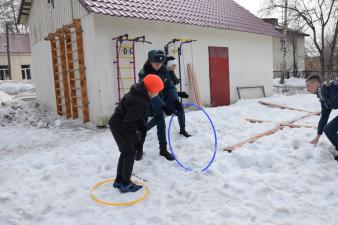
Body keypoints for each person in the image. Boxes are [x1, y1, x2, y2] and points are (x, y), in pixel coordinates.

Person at [108, 74, 164, 193]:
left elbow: (135, 118)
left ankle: (119, 180)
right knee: (130, 153)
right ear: (151, 90)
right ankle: (125, 184)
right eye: (157, 91)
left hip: (118, 124)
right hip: (120, 126)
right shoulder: (140, 101)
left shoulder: (138, 93)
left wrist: (142, 127)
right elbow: (128, 124)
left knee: (125, 152)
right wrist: (136, 141)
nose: (158, 93)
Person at [138, 50, 177, 161]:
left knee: (161, 125)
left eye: (161, 63)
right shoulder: (144, 73)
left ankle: (163, 150)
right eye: (156, 63)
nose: (159, 65)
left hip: (159, 100)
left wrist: (175, 100)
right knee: (143, 127)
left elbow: (169, 86)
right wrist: (163, 106)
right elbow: (149, 93)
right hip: (145, 102)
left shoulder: (164, 70)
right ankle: (138, 149)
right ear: (150, 61)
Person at [306, 75, 338, 161]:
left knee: (330, 129)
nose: (307, 89)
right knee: (328, 129)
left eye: (308, 85)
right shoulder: (323, 97)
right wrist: (317, 137)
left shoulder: (332, 87)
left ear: (316, 83)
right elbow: (324, 117)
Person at [165, 56, 191, 137]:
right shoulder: (165, 75)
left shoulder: (171, 74)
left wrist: (179, 94)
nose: (175, 67)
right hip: (163, 99)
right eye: (173, 65)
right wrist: (176, 97)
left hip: (171, 97)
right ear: (169, 65)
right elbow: (165, 90)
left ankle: (182, 130)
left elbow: (171, 89)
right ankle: (143, 130)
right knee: (157, 118)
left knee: (180, 111)